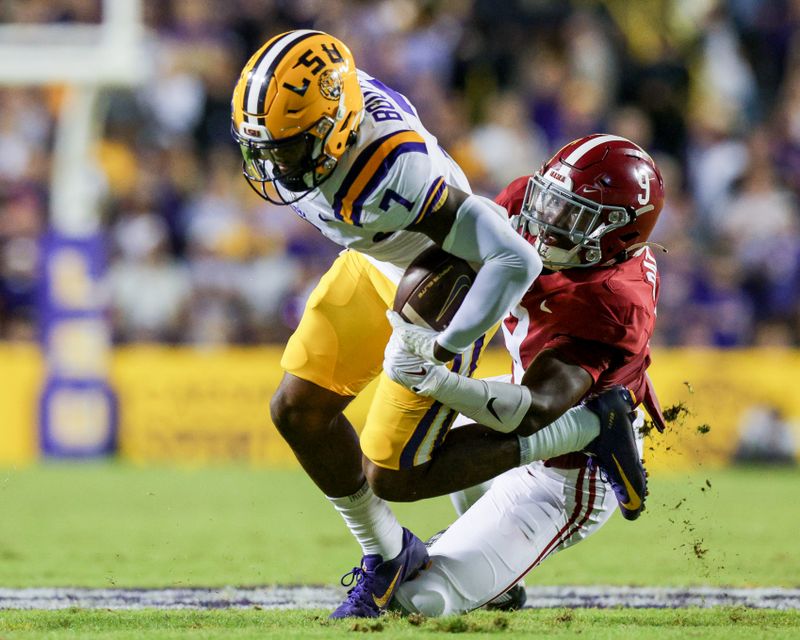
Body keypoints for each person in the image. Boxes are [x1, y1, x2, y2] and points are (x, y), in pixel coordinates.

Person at [231, 31, 633, 619]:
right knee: (296, 410)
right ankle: (389, 556)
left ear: (336, 127)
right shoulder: (322, 114)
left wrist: (440, 346)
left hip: (442, 290)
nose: (274, 163)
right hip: (379, 264)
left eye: (289, 147)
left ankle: (578, 431)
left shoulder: (395, 173)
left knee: (394, 472)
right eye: (264, 145)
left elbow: (513, 259)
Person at [384, 134, 668, 615]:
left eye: (572, 215)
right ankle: (494, 578)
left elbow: (533, 411)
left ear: (619, 233)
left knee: (418, 601)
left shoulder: (611, 298)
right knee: (429, 436)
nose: (546, 220)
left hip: (567, 469)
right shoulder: (528, 202)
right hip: (522, 397)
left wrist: (436, 376)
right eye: (551, 201)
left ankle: (600, 428)